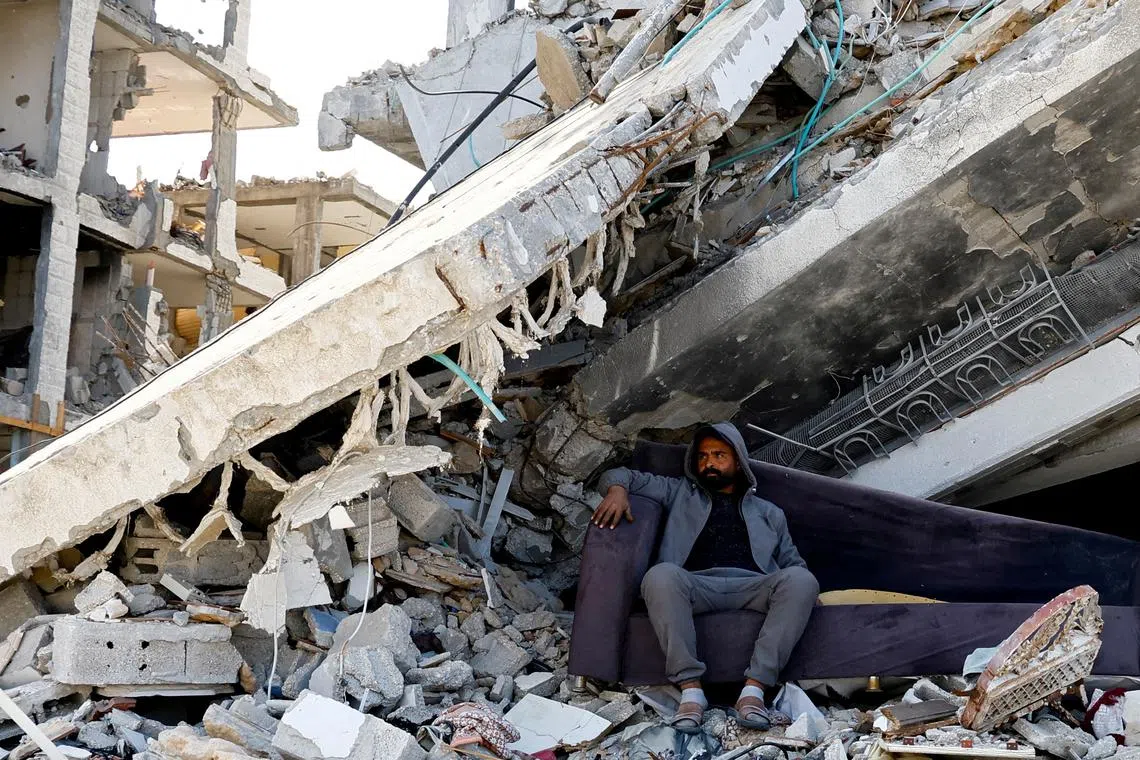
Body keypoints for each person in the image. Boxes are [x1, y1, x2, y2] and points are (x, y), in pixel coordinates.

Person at [592, 422, 819, 734]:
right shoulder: (678, 492)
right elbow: (617, 474)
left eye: (718, 455)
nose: (708, 463)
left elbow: (793, 563)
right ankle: (691, 691)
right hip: (694, 584)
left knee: (801, 580)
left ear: (738, 460)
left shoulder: (770, 513)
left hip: (753, 586)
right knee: (660, 576)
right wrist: (617, 491)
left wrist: (807, 595)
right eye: (702, 457)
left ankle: (753, 692)